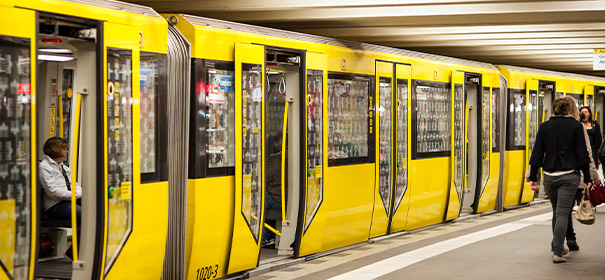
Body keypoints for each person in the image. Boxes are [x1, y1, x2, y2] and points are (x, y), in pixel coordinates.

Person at [527, 96, 593, 263]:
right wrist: (588, 177)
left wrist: (533, 176)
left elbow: (537, 153)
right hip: (569, 175)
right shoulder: (576, 126)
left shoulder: (545, 127)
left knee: (557, 212)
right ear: (569, 110)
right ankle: (557, 251)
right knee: (563, 213)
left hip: (550, 176)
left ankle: (557, 245)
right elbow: (582, 154)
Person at [39, 137, 82, 260]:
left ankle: (76, 251)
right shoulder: (44, 167)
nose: (67, 152)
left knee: (95, 213)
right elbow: (52, 192)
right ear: (55, 150)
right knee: (86, 216)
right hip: (54, 206)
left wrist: (78, 193)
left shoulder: (63, 167)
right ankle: (74, 252)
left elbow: (76, 186)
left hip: (67, 202)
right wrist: (75, 195)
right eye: (64, 149)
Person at [263, 132, 286, 247]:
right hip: (291, 201)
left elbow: (263, 180)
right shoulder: (300, 158)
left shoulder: (273, 159)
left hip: (278, 201)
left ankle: (266, 235)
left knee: (259, 199)